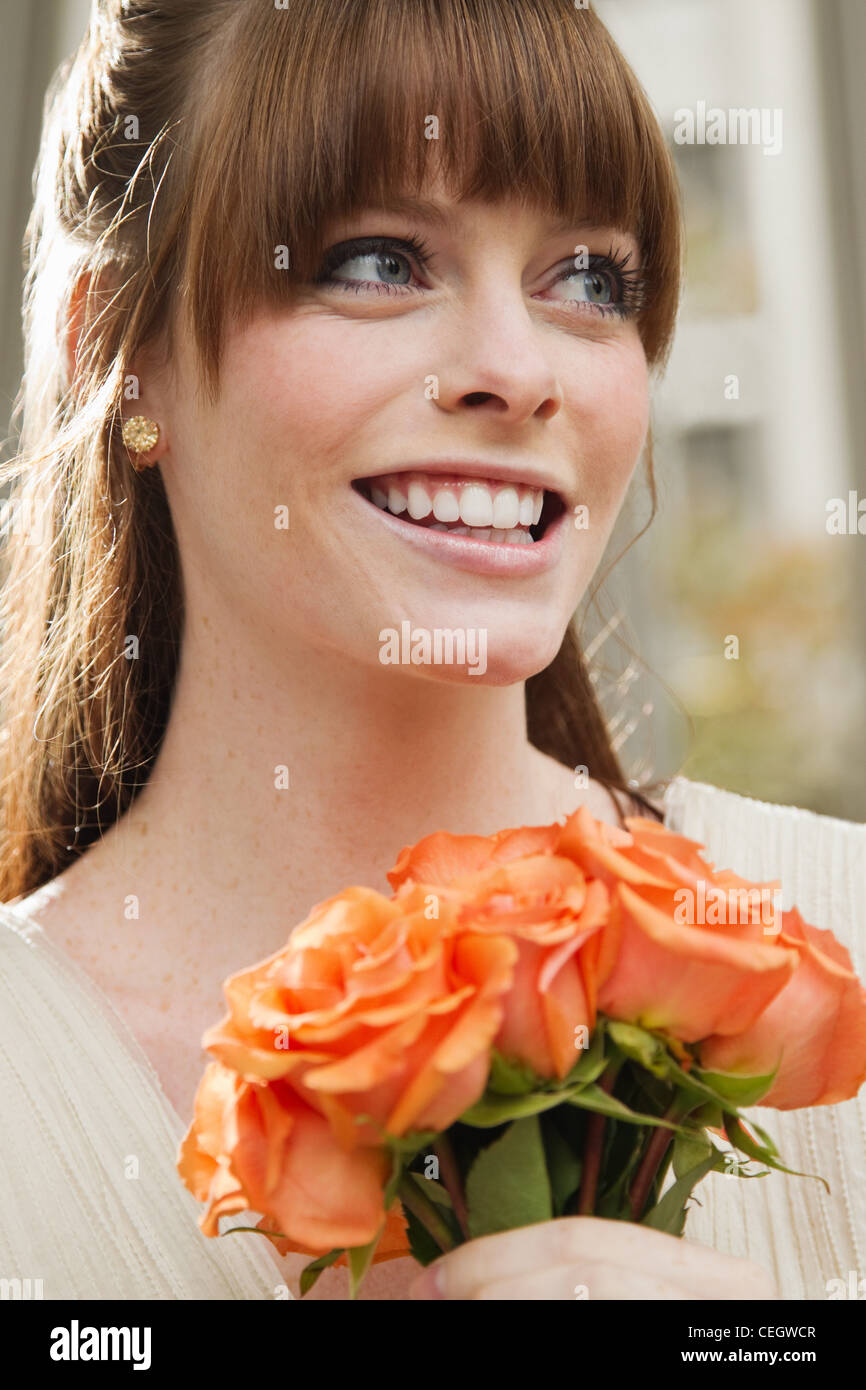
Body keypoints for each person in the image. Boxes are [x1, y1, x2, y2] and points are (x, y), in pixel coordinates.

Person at [0, 0, 859, 1302]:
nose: (517, 371)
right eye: (376, 260)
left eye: (586, 280)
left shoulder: (837, 929)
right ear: (116, 350)